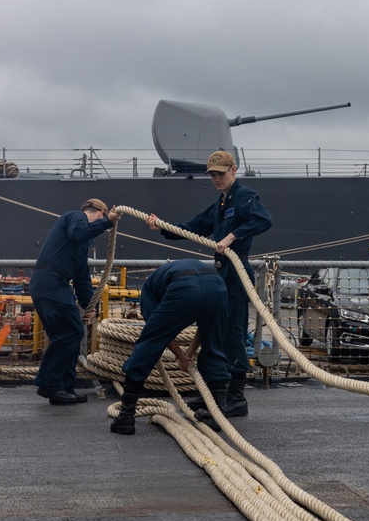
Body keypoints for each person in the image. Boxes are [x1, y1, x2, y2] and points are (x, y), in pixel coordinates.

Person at [146, 150, 271, 419]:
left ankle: (236, 398)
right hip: (221, 273)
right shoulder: (221, 204)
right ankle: (215, 396)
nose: (216, 179)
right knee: (214, 331)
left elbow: (263, 219)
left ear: (233, 170)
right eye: (212, 175)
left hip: (236, 273)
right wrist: (162, 227)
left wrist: (231, 236)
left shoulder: (245, 196)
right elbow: (195, 227)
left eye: (220, 173)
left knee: (232, 333)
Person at [110, 259, 230, 435]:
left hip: (184, 287)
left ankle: (126, 416)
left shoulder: (149, 290)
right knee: (214, 346)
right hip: (216, 285)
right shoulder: (172, 273)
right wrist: (188, 353)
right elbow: (206, 330)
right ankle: (218, 412)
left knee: (148, 345)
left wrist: (182, 356)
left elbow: (159, 334)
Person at [31, 198, 122, 405]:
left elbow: (82, 278)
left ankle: (64, 387)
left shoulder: (80, 245)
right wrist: (108, 221)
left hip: (53, 284)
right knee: (71, 332)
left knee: (67, 334)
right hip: (50, 282)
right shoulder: (75, 217)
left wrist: (90, 306)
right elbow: (79, 232)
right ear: (99, 213)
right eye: (101, 218)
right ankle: (50, 384)